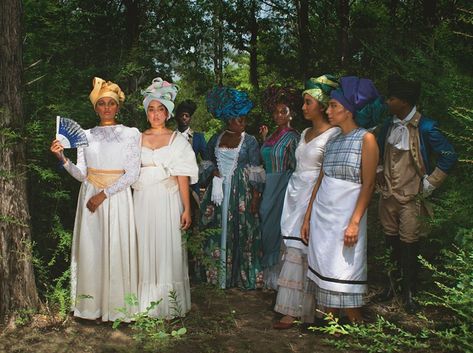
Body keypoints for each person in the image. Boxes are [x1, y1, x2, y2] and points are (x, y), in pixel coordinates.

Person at [50, 77, 141, 322]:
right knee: (92, 250)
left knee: (116, 248)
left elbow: (133, 173)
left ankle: (118, 309)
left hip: (116, 197)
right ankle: (90, 308)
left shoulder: (131, 134)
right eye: (101, 103)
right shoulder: (84, 136)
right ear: (95, 107)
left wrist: (104, 194)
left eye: (111, 103)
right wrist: (63, 159)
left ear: (118, 106)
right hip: (89, 196)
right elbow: (81, 174)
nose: (107, 108)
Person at [301, 76, 383, 323]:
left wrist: (355, 221)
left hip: (347, 215)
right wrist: (307, 217)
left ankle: (354, 319)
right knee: (325, 263)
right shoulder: (333, 139)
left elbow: (368, 184)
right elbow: (320, 180)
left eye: (333, 106)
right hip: (323, 215)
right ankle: (331, 318)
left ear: (348, 111)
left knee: (345, 266)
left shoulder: (366, 139)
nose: (328, 110)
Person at [376, 75, 457, 313]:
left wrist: (430, 183)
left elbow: (449, 156)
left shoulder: (426, 126)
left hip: (411, 197)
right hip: (388, 195)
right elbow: (379, 151)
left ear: (404, 101)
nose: (387, 102)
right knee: (390, 242)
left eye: (391, 98)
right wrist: (380, 169)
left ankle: (410, 292)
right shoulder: (388, 125)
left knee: (410, 244)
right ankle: (391, 286)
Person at [273, 75, 340, 329]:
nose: (303, 107)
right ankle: (291, 307)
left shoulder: (333, 135)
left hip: (315, 194)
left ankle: (315, 309)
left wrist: (313, 209)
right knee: (293, 250)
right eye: (303, 102)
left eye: (308, 102)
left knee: (310, 250)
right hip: (295, 192)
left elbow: (325, 172)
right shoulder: (304, 133)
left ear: (321, 106)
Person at [132, 78, 198, 318]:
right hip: (142, 198)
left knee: (166, 245)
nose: (156, 114)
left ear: (168, 113)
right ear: (146, 112)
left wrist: (186, 209)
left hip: (168, 198)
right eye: (151, 109)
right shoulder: (136, 138)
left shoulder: (177, 140)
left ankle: (168, 303)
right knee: (143, 244)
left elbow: (183, 177)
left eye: (160, 109)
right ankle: (143, 303)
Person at [200, 86, 265, 290]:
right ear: (229, 119)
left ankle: (241, 276)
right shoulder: (216, 139)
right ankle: (218, 276)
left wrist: (255, 198)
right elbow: (207, 162)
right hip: (218, 194)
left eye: (244, 119)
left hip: (241, 194)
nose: (243, 123)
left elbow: (256, 169)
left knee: (242, 232)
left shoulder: (251, 141)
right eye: (239, 119)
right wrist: (213, 173)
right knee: (216, 229)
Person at [259, 85, 300, 290]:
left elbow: (297, 166)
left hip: (282, 186)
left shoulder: (294, 137)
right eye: (275, 111)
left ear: (291, 113)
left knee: (277, 227)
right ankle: (269, 276)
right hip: (268, 184)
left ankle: (280, 279)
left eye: (283, 111)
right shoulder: (273, 135)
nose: (278, 115)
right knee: (265, 223)